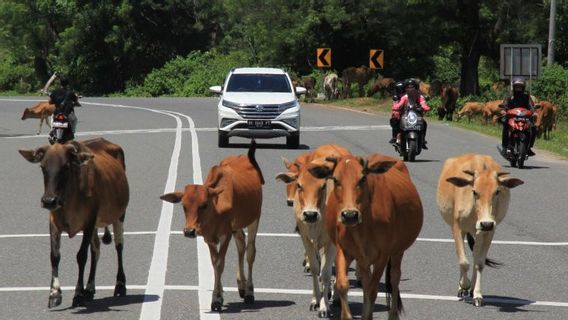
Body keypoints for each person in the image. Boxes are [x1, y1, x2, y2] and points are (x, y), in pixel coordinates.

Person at [499, 78, 536, 157]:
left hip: (525, 117)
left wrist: (534, 112)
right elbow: (505, 105)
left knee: (533, 128)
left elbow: (531, 106)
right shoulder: (510, 96)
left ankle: (529, 147)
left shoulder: (526, 97)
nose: (518, 88)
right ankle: (505, 147)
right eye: (517, 86)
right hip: (512, 117)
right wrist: (504, 110)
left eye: (520, 87)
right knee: (506, 126)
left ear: (523, 88)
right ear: (514, 87)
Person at [391, 79, 431, 149]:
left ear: (416, 88)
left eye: (412, 87)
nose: (410, 89)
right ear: (405, 89)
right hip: (405, 115)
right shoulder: (404, 97)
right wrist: (395, 107)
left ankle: (422, 140)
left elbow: (423, 103)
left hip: (416, 115)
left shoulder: (420, 96)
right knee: (398, 123)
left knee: (424, 124)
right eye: (408, 87)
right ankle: (397, 138)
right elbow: (399, 105)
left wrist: (425, 107)